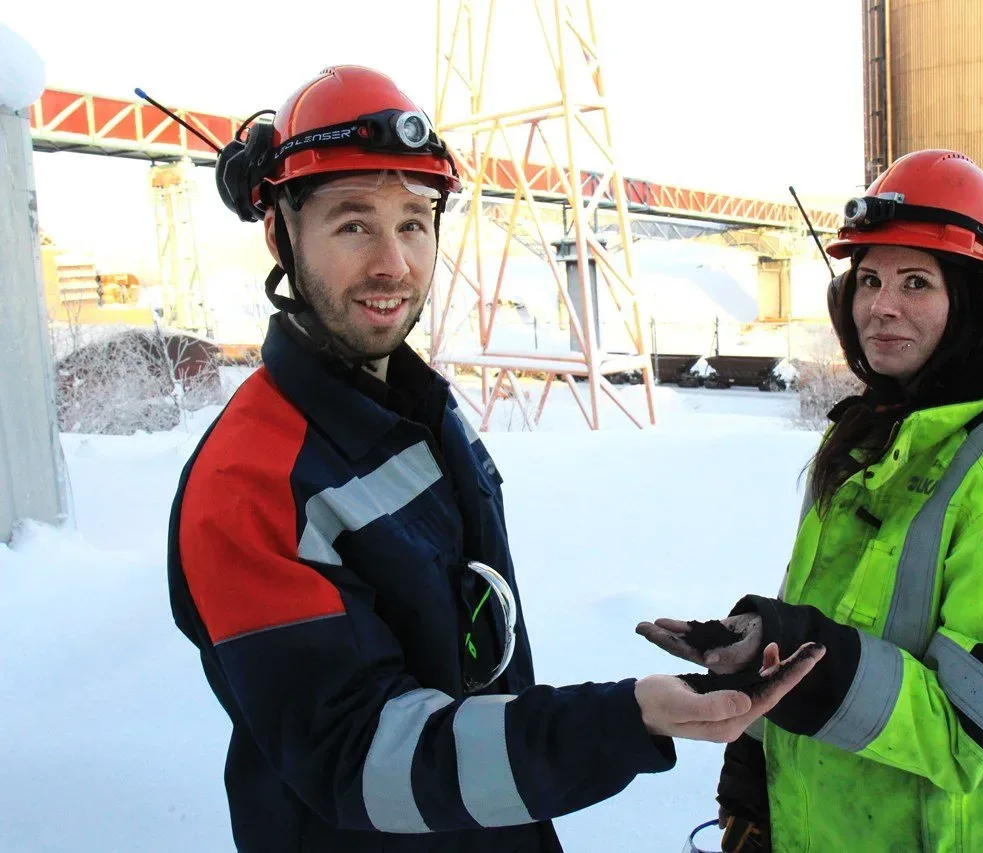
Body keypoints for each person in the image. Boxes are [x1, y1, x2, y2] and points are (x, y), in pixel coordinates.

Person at [166, 65, 822, 853]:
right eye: (352, 224)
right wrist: (624, 717)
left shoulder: (419, 410)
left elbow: (471, 671)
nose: (394, 264)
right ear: (280, 233)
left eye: (414, 222)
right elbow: (360, 756)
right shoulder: (251, 483)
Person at [639, 149, 983, 852]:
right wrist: (752, 790)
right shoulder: (866, 451)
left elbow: (969, 728)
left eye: (917, 282)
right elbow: (826, 638)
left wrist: (801, 660)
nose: (881, 306)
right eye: (868, 280)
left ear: (979, 306)